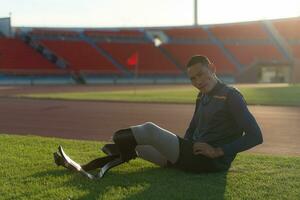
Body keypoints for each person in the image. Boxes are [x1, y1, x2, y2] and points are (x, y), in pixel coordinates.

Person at [54, 55, 263, 178]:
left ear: (213, 69)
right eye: (192, 78)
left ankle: (117, 148)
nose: (198, 81)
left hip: (210, 163)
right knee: (137, 147)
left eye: (201, 74)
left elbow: (256, 136)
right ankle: (87, 168)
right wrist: (181, 147)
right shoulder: (202, 96)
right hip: (191, 155)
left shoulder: (231, 96)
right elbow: (192, 128)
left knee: (149, 130)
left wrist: (219, 151)